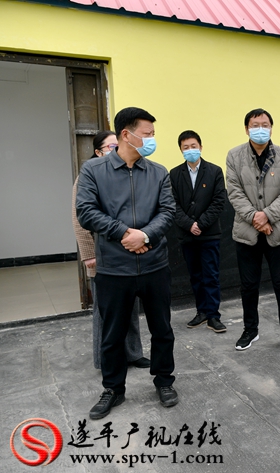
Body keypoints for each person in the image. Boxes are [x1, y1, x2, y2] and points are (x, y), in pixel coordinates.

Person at [76, 107, 178, 419]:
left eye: (153, 134)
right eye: (147, 134)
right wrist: (124, 233)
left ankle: (164, 381)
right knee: (112, 334)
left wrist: (144, 235)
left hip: (154, 265)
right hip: (114, 268)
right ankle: (113, 389)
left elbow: (168, 211)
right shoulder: (93, 170)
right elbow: (86, 211)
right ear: (126, 134)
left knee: (162, 330)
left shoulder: (158, 172)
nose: (152, 139)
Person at [71, 131, 149, 370]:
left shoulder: (127, 172)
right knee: (105, 312)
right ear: (98, 152)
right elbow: (79, 218)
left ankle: (133, 353)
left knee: (130, 309)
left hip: (127, 253)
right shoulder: (89, 175)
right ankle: (105, 359)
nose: (117, 149)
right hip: (101, 255)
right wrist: (89, 254)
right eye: (111, 146)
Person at [226, 108, 280, 352]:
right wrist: (255, 218)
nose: (260, 129)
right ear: (246, 129)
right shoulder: (234, 156)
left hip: (278, 232)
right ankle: (250, 330)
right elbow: (234, 192)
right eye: (255, 125)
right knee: (248, 285)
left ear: (271, 128)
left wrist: (266, 215)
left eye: (265, 125)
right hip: (246, 233)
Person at [169, 130, 227, 333]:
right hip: (187, 234)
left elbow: (218, 201)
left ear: (201, 147)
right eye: (185, 147)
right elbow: (172, 204)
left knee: (211, 275)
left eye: (193, 146)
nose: (190, 150)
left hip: (209, 233)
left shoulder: (214, 171)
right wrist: (189, 225)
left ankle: (213, 315)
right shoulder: (174, 174)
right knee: (195, 275)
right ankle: (201, 312)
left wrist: (200, 224)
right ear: (180, 150)